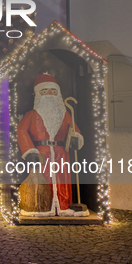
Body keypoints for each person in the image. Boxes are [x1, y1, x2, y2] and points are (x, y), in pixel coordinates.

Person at [17, 74, 84, 217]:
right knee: (42, 179)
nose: (49, 94)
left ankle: (62, 206)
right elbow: (21, 130)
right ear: (38, 93)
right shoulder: (31, 115)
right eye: (45, 91)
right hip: (40, 154)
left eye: (53, 91)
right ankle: (43, 207)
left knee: (61, 179)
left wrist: (76, 138)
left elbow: (74, 129)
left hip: (61, 153)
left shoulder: (65, 114)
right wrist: (30, 151)